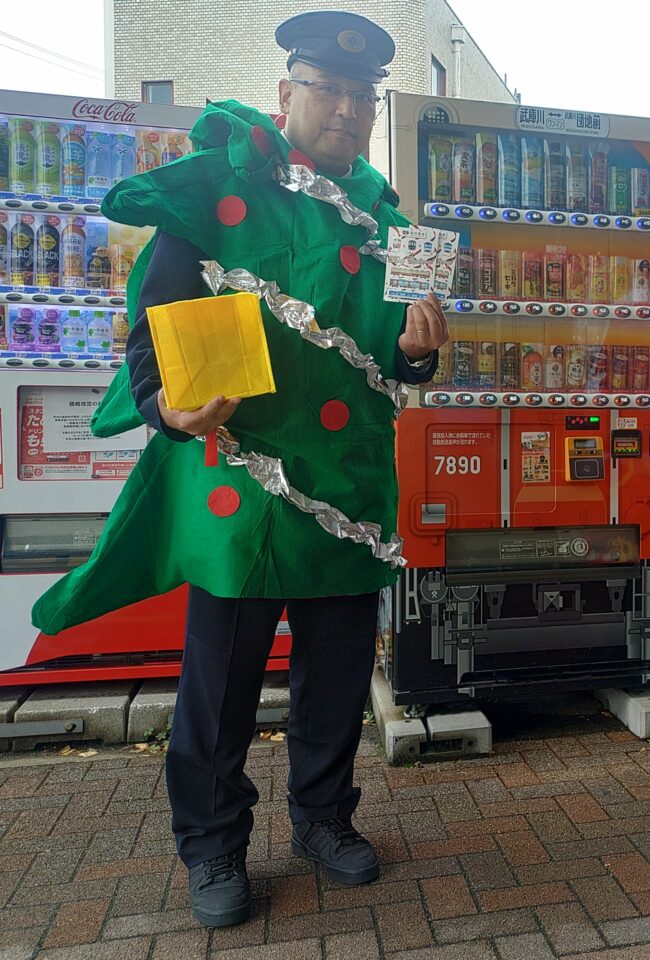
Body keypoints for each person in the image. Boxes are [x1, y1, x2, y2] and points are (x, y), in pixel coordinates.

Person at [31, 11, 448, 926]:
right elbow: (155, 318)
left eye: (363, 97)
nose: (347, 109)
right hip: (239, 478)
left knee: (337, 676)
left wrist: (418, 353)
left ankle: (324, 819)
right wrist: (162, 406)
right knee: (218, 688)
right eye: (329, 91)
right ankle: (213, 844)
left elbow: (394, 353)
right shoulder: (220, 187)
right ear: (287, 93)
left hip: (347, 482)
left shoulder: (389, 222)